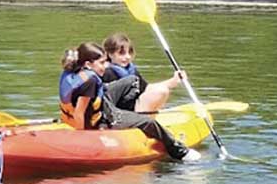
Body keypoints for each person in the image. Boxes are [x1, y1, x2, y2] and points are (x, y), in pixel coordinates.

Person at [59, 42, 192, 160]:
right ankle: (178, 150)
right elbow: (79, 113)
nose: (106, 66)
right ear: (88, 64)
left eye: (106, 61)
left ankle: (129, 116)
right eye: (101, 62)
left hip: (102, 104)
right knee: (149, 122)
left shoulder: (73, 72)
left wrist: (173, 82)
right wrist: (81, 139)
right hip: (104, 119)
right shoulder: (90, 81)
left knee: (132, 80)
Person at [101, 32, 180, 113]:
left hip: (133, 107)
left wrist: (173, 81)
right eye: (122, 53)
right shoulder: (107, 73)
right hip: (120, 113)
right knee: (161, 91)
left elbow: (146, 88)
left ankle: (150, 118)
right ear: (110, 54)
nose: (128, 57)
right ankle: (143, 121)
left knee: (163, 91)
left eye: (129, 53)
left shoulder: (131, 70)